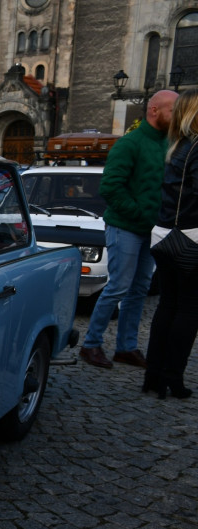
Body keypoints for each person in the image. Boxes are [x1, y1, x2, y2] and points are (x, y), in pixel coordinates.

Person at [79, 89, 179, 369]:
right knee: (118, 287)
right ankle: (91, 344)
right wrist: (140, 215)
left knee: (140, 289)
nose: (177, 117)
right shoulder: (129, 143)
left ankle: (126, 347)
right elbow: (110, 188)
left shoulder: (169, 143)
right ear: (154, 110)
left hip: (151, 230)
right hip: (126, 227)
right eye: (173, 111)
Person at [144, 89, 198, 399]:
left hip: (163, 235)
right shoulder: (196, 148)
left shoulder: (175, 146)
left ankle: (153, 375)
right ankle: (172, 377)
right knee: (189, 309)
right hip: (189, 237)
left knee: (167, 305)